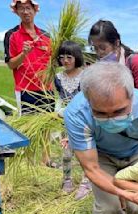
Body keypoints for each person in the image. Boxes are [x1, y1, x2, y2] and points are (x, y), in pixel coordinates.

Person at [63, 62, 138, 214]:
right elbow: (92, 169)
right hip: (101, 156)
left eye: (119, 111)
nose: (110, 118)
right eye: (100, 113)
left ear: (131, 96)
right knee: (107, 210)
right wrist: (127, 194)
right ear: (88, 100)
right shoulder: (77, 114)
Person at [54, 40, 92, 200]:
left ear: (76, 57)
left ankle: (86, 182)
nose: (65, 61)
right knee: (66, 152)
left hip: (83, 118)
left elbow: (88, 99)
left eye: (69, 57)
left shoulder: (85, 75)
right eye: (62, 57)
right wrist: (58, 111)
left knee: (85, 151)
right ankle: (67, 180)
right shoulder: (58, 77)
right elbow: (59, 98)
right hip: (65, 118)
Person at [88, 20, 138, 100]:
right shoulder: (100, 66)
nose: (99, 53)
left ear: (116, 43)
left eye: (102, 48)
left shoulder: (136, 62)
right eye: (95, 48)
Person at [4, 0, 54, 115]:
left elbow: (52, 62)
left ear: (35, 10)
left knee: (48, 126)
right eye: (21, 8)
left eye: (28, 8)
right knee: (28, 129)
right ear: (16, 11)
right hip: (25, 91)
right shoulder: (11, 35)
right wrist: (23, 54)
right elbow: (11, 65)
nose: (25, 12)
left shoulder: (46, 36)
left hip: (47, 90)